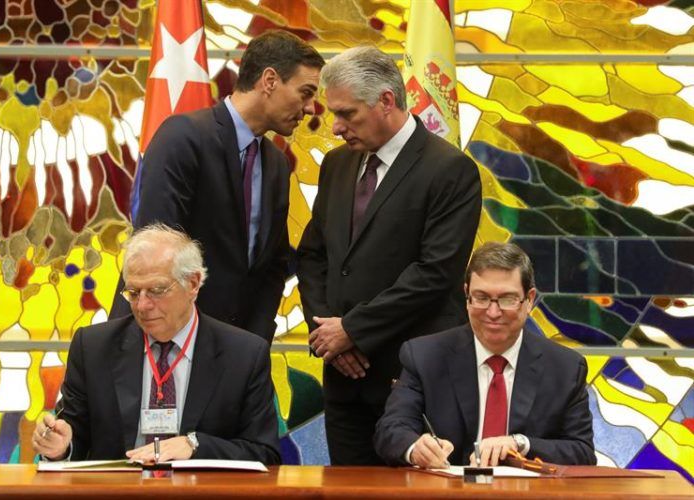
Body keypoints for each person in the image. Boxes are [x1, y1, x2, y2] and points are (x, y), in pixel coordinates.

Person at [296, 46, 482, 465]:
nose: (337, 128)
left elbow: (435, 272)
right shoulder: (337, 165)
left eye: (347, 114)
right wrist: (331, 337)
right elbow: (313, 255)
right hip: (344, 379)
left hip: (413, 382)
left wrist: (353, 330)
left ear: (385, 101)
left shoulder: (449, 170)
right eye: (334, 114)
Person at [111, 30, 325, 343]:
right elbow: (158, 252)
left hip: (234, 353)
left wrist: (254, 342)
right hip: (162, 342)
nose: (310, 109)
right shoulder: (183, 138)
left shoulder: (276, 164)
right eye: (305, 92)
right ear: (269, 81)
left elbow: (272, 267)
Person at [33, 224, 280, 464]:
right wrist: (59, 447)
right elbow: (74, 434)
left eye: (157, 290)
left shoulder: (244, 354)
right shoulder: (93, 348)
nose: (142, 306)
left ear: (193, 284)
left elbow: (264, 452)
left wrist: (195, 446)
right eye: (133, 293)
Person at [374, 242, 596, 467]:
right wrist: (415, 448)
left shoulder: (565, 367)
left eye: (507, 299)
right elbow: (390, 430)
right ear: (466, 295)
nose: (492, 312)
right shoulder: (424, 356)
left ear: (529, 300)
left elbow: (582, 452)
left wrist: (520, 444)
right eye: (481, 297)